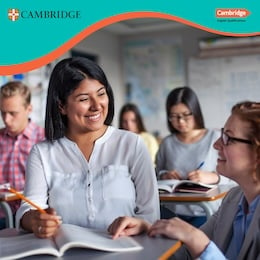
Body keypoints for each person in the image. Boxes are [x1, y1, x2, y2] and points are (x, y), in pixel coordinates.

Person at [15, 57, 160, 238]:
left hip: (125, 250)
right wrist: (35, 220)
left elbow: (151, 215)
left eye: (101, 94)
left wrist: (141, 223)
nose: (96, 105)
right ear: (61, 106)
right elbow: (28, 209)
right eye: (84, 98)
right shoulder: (42, 153)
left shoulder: (132, 144)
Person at [108, 101, 260, 260]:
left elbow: (198, 244)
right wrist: (150, 230)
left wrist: (198, 242)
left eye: (228, 138)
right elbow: (186, 253)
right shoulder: (234, 199)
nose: (216, 144)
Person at [156, 86, 229, 226]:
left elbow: (236, 177)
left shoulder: (216, 138)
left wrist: (214, 177)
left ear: (195, 111)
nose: (181, 121)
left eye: (185, 115)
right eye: (174, 116)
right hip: (173, 214)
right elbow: (156, 174)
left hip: (207, 213)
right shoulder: (167, 142)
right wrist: (164, 175)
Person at [0, 81, 45, 229]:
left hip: (31, 218)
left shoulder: (43, 140)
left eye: (13, 113)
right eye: (3, 112)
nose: (6, 119)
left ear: (29, 109)